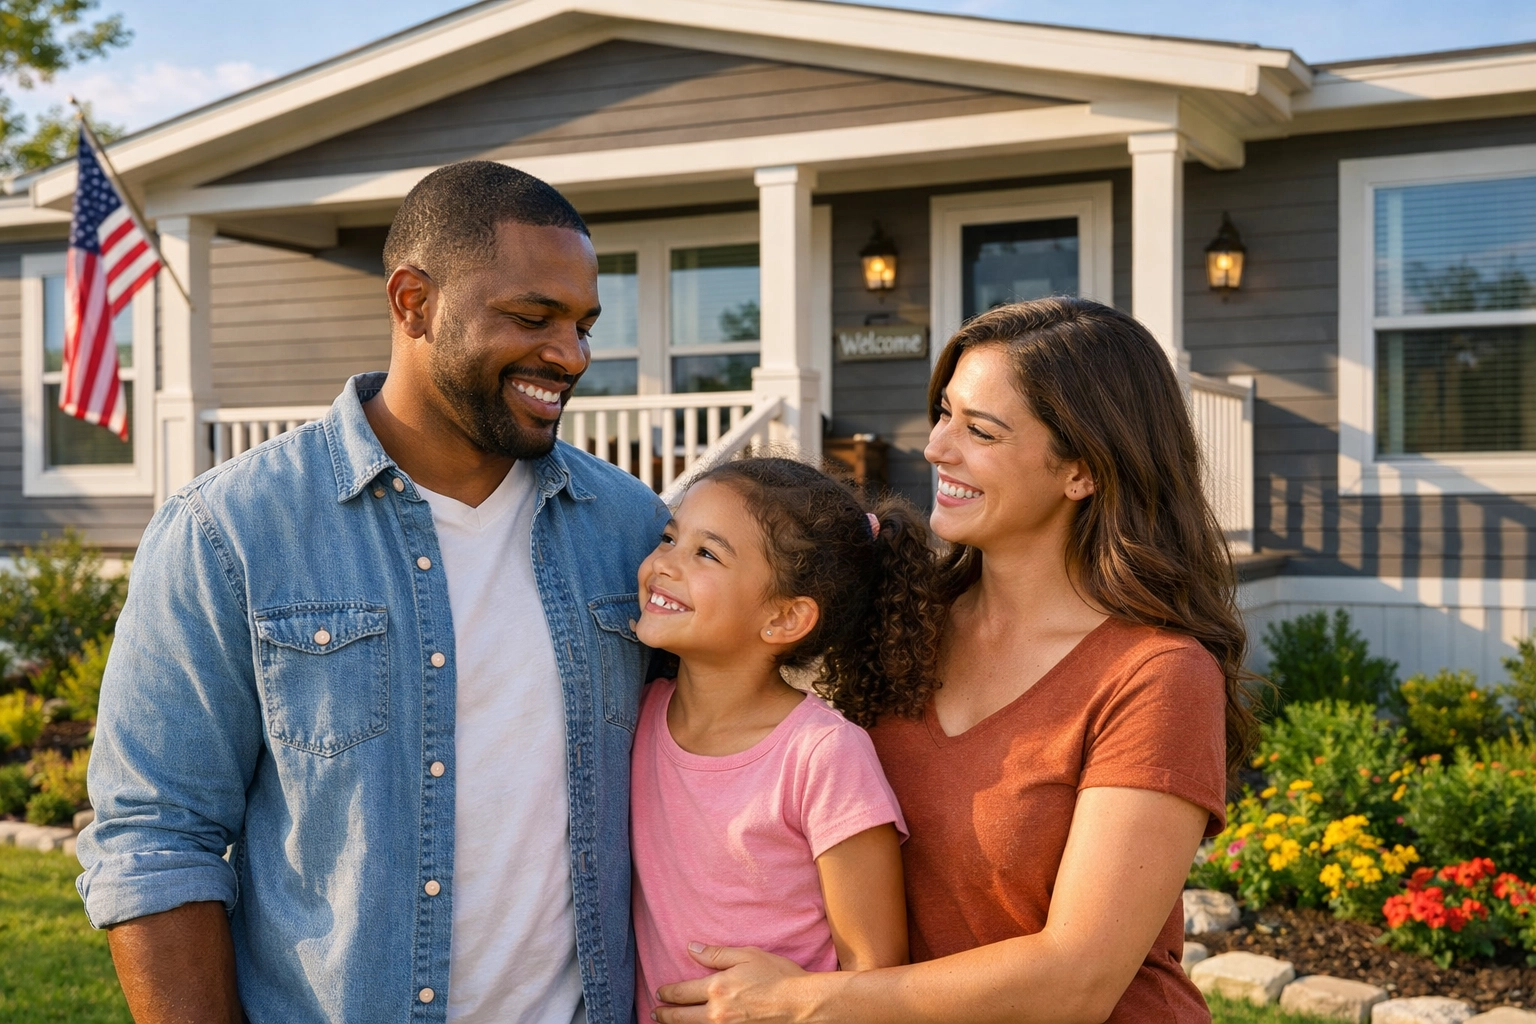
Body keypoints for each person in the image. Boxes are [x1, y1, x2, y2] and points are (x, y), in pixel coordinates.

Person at [77, 160, 668, 1024]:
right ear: (412, 303)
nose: (570, 355)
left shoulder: (629, 526)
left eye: (582, 324)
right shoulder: (230, 531)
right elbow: (155, 838)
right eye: (533, 318)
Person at [652, 297, 1255, 1024]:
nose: (937, 447)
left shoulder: (1154, 675)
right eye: (943, 413)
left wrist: (802, 1001)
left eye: (981, 430)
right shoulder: (907, 623)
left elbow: (1077, 979)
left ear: (1082, 472)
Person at [630, 457, 943, 1019]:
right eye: (669, 537)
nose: (663, 564)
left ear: (785, 618)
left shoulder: (824, 754)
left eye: (706, 553)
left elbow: (875, 972)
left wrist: (789, 1003)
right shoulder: (634, 716)